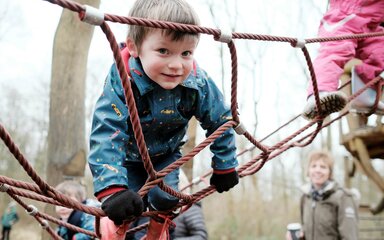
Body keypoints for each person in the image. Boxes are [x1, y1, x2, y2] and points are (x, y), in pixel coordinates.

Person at [88, 0, 239, 239]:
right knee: (127, 203)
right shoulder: (123, 78)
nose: (176, 64)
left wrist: (225, 165)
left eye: (186, 53)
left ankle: (160, 227)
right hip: (127, 156)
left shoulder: (197, 83)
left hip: (165, 155)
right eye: (163, 51)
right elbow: (107, 131)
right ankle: (114, 223)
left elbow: (221, 121)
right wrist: (112, 189)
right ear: (135, 47)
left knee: (167, 198)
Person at [302, 1, 384, 120]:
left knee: (378, 55)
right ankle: (319, 93)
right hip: (346, 12)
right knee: (335, 51)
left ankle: (366, 96)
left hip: (373, 22)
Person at [286, 150, 359, 240]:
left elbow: (350, 237)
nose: (317, 170)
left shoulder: (343, 198)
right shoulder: (305, 198)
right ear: (308, 171)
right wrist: (299, 237)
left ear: (330, 173)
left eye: (323, 167)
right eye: (313, 166)